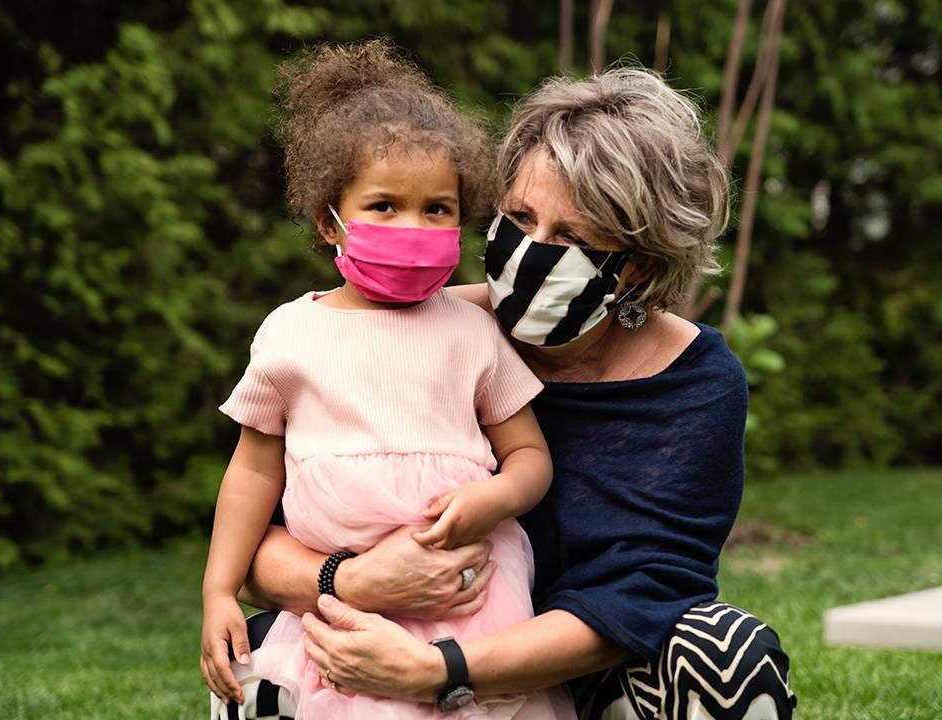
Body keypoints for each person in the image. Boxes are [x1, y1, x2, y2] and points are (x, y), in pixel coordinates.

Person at [226, 66, 797, 720]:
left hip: (586, 673)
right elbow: (255, 545)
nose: (529, 252)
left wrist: (442, 672)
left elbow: (647, 593)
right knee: (258, 664)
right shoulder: (419, 332)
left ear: (637, 264)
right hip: (385, 633)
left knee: (724, 658)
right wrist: (347, 580)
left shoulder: (694, 382)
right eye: (519, 217)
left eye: (573, 238)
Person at [200, 39, 573, 719]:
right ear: (328, 222)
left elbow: (530, 457)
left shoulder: (472, 332)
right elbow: (254, 473)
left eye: (437, 209)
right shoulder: (290, 334)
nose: (414, 225)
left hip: (471, 587)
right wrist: (219, 591)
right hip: (349, 594)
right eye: (384, 205)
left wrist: (494, 500)